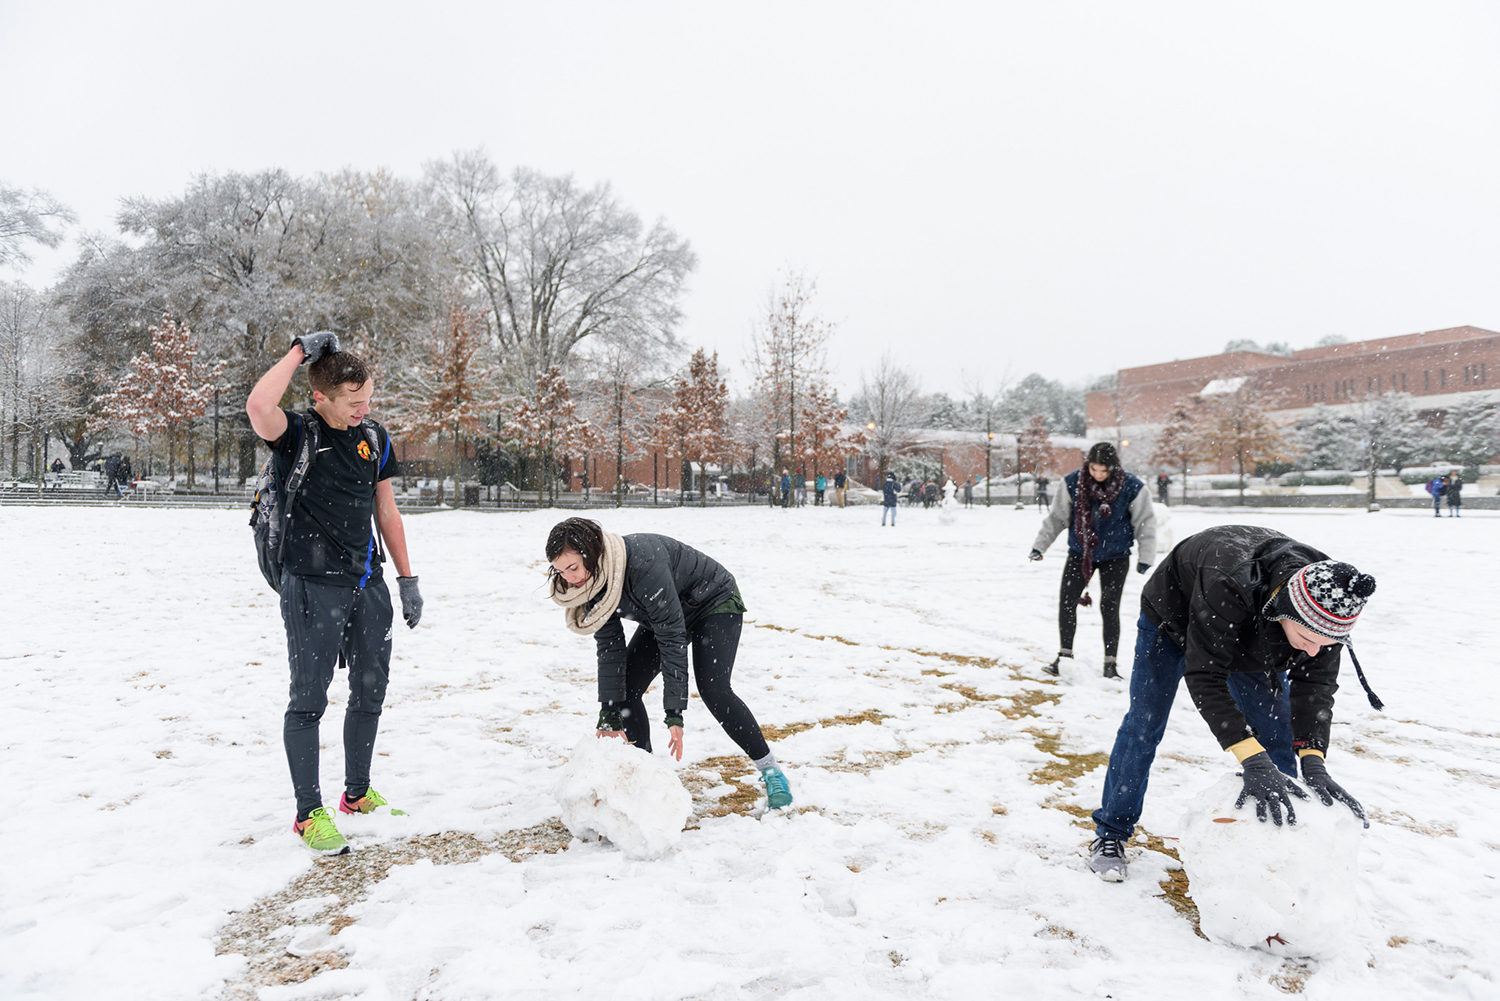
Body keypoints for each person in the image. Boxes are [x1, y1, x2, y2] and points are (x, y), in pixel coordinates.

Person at [1086, 525, 1379, 881]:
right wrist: (1250, 758)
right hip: (1173, 617)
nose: (1315, 651)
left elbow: (1314, 687)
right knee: (1144, 726)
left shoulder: (1330, 602)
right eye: (1306, 639)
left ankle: (1278, 839)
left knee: (1276, 735)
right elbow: (1205, 677)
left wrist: (1314, 762)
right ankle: (1111, 832)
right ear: (1286, 610)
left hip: (1254, 635)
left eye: (1326, 644)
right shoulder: (1229, 580)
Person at [246, 331, 423, 856]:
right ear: (320, 396)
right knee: (309, 699)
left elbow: (385, 511)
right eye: (353, 402)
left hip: (367, 581)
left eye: (369, 399)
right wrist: (300, 352)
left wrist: (407, 578)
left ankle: (357, 794)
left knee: (371, 691)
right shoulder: (296, 433)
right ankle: (308, 814)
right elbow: (258, 404)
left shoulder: (374, 436)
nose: (363, 410)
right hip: (311, 585)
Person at [546, 518, 792, 809]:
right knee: (626, 690)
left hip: (712, 602)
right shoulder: (592, 584)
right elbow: (610, 650)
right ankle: (647, 781)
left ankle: (771, 770)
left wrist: (674, 713)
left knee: (714, 688)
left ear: (592, 553)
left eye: (573, 568)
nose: (569, 578)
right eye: (561, 571)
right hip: (663, 614)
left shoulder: (642, 564)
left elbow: (672, 637)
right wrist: (609, 712)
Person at [1030, 442, 1156, 679]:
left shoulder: (1132, 486)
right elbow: (1057, 518)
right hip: (1080, 553)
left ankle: (1110, 664)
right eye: (1094, 469)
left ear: (1113, 468)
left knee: (1110, 607)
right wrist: (1039, 546)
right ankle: (1064, 656)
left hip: (1116, 557)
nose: (1098, 475)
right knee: (1067, 602)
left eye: (1103, 471)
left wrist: (1146, 556)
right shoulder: (1071, 483)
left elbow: (1145, 522)